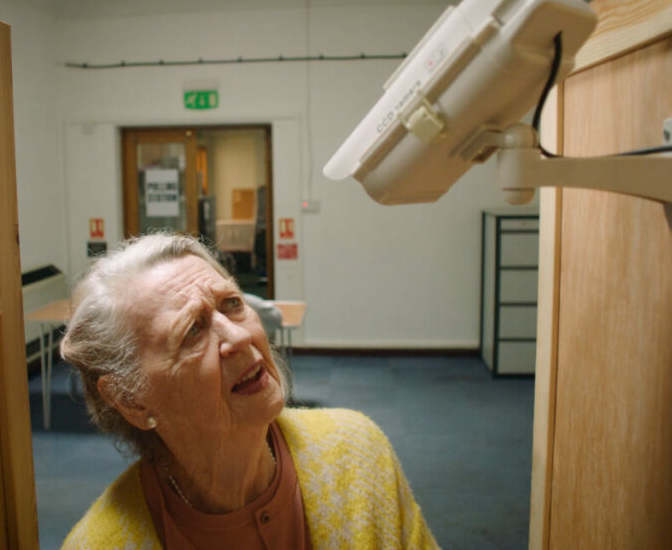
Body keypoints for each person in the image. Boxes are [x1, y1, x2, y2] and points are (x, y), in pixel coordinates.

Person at [59, 233, 438, 549]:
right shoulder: (98, 543)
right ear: (131, 399)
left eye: (233, 304)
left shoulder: (358, 452)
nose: (239, 336)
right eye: (192, 330)